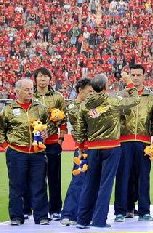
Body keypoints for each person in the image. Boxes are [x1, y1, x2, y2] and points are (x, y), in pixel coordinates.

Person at [74, 74, 142, 229]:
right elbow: (135, 100)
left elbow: (80, 130)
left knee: (89, 184)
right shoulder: (113, 100)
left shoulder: (84, 105)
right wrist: (130, 85)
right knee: (106, 184)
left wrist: (81, 148)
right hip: (111, 147)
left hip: (92, 148)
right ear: (105, 86)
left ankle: (82, 220)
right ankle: (99, 221)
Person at [0, 78, 51, 226]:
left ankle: (41, 216)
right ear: (18, 91)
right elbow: (0, 130)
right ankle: (16, 216)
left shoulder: (40, 108)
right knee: (17, 185)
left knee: (40, 185)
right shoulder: (9, 109)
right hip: (16, 152)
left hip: (37, 153)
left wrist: (46, 133)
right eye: (26, 89)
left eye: (31, 89)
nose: (30, 92)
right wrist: (6, 147)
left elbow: (46, 125)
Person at [114, 64, 153, 222]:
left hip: (144, 142)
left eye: (138, 75)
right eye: (132, 75)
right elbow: (115, 118)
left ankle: (144, 211)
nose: (135, 78)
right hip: (124, 141)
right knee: (122, 177)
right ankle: (120, 211)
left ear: (144, 76)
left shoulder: (151, 96)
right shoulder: (121, 95)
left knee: (143, 177)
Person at [33, 68, 66, 221]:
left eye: (46, 76)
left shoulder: (58, 97)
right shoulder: (31, 96)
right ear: (35, 79)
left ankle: (55, 209)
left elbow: (63, 120)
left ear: (50, 79)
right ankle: (36, 209)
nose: (43, 79)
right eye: (40, 76)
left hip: (53, 142)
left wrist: (60, 139)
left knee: (54, 178)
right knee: (36, 178)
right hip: (34, 143)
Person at [61, 79, 92, 226]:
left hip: (95, 148)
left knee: (92, 182)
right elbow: (84, 125)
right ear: (80, 90)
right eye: (89, 91)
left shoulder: (91, 105)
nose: (92, 94)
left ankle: (86, 214)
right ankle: (69, 214)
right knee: (78, 180)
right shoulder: (73, 107)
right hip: (82, 149)